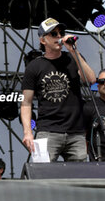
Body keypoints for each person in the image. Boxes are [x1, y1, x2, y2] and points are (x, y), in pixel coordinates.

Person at [21, 18, 96, 162]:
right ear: (43, 40)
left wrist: (74, 51)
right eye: (53, 34)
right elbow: (26, 103)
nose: (59, 36)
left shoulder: (73, 58)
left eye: (61, 33)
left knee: (78, 179)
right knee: (43, 177)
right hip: (47, 131)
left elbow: (91, 79)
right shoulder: (34, 67)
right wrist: (28, 133)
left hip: (76, 132)